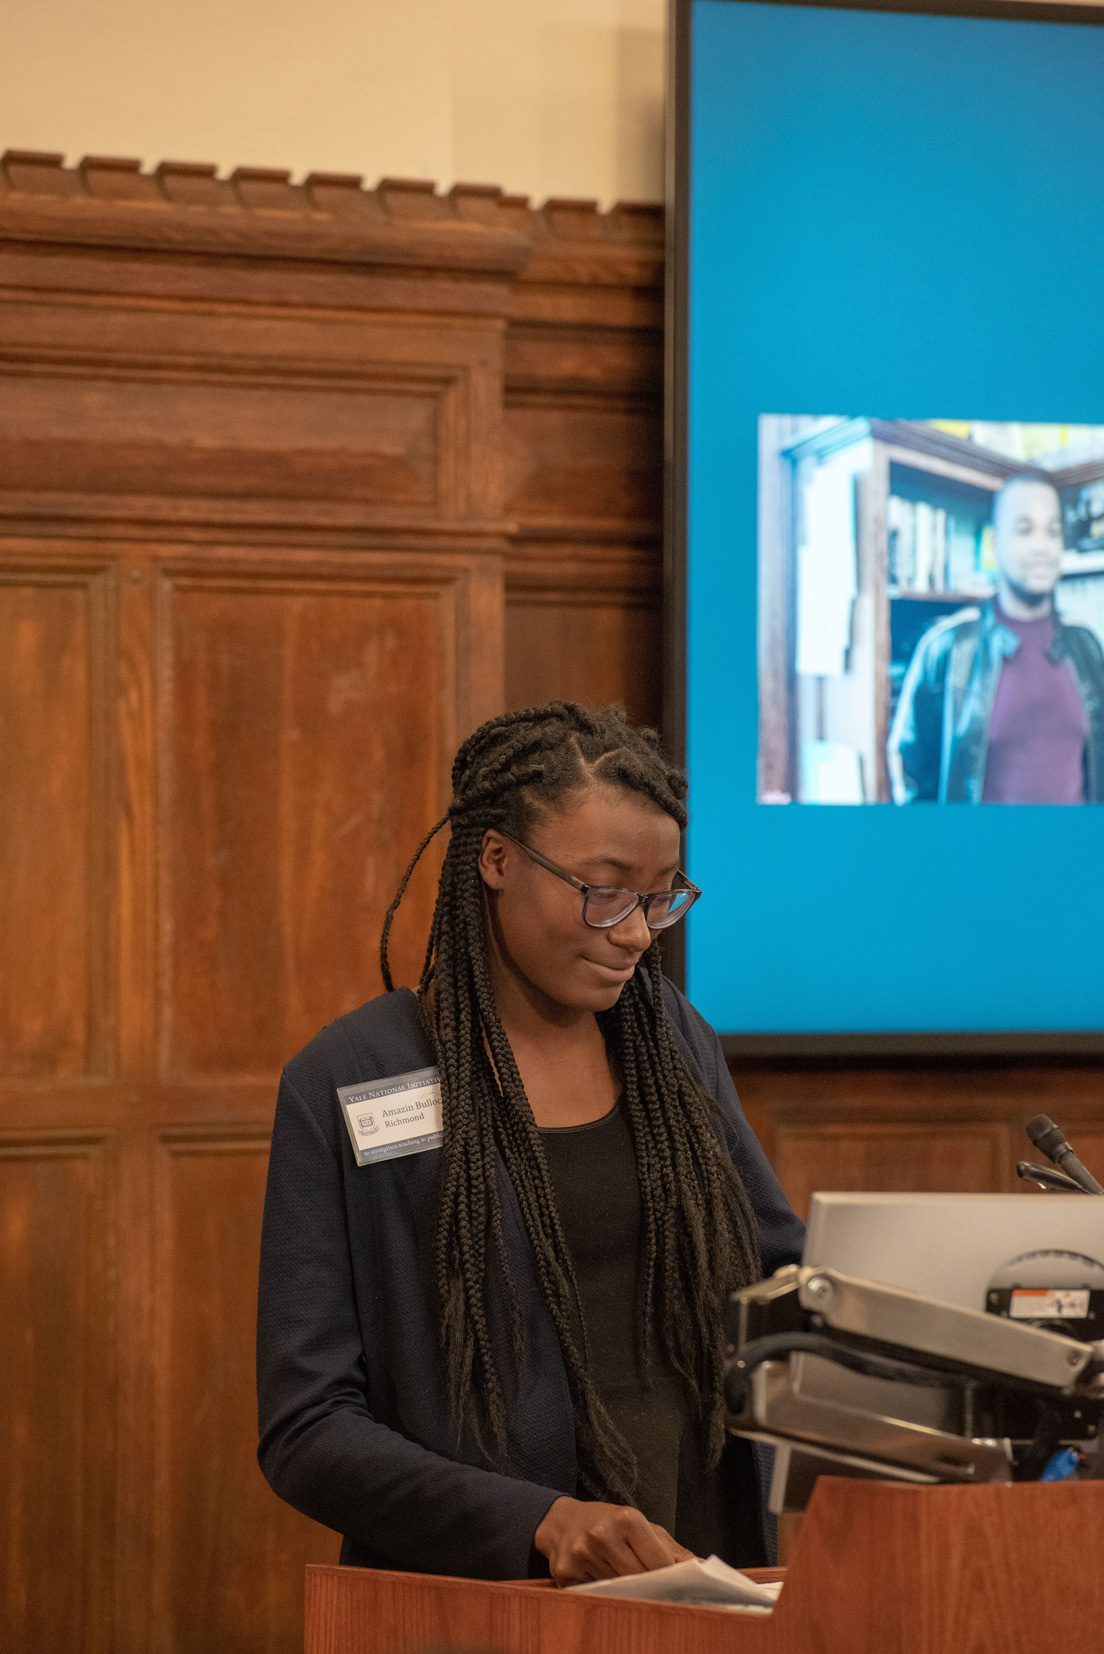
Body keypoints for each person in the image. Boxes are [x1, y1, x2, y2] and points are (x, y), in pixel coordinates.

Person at [256, 702, 803, 1584]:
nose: (633, 932)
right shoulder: (353, 1077)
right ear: (497, 859)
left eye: (660, 898)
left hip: (702, 1574)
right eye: (604, 889)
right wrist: (539, 1523)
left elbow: (782, 1285)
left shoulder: (671, 1038)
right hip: (482, 1601)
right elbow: (307, 1429)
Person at [888, 474, 1104, 803]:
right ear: (994, 544)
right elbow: (913, 777)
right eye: (1024, 529)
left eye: (1053, 531)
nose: (1042, 547)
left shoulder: (1086, 646)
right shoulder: (947, 649)